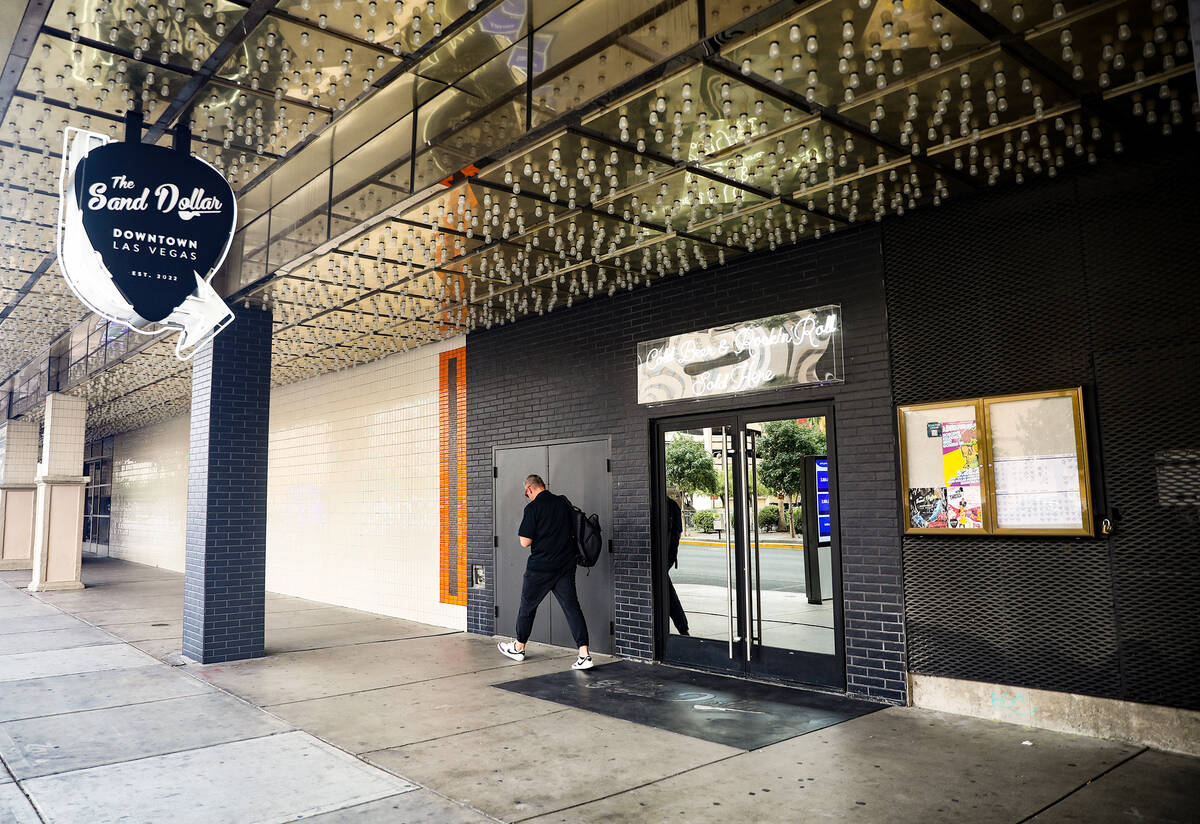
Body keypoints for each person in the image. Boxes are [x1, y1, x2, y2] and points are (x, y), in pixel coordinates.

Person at [497, 474, 593, 670]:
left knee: (527, 607)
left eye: (526, 494)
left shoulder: (533, 508)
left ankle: (518, 647)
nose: (527, 497)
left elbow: (525, 542)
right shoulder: (563, 503)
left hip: (540, 568)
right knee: (572, 608)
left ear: (530, 489)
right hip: (565, 565)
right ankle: (584, 654)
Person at [664, 492, 690, 636]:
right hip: (668, 557)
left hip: (660, 558)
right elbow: (678, 534)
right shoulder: (673, 505)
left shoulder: (661, 504)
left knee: (667, 593)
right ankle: (683, 628)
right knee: (666, 591)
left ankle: (683, 628)